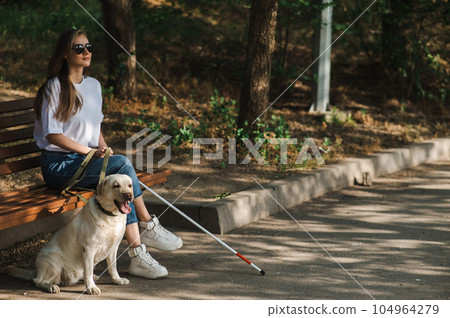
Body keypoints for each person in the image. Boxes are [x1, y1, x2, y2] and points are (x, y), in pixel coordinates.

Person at [33, 28, 182, 279]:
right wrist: (91, 153)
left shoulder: (93, 86)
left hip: (84, 161)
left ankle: (139, 248)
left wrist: (103, 149)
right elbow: (52, 135)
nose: (86, 52)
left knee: (120, 168)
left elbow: (95, 128)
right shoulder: (55, 87)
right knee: (122, 165)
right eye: (79, 48)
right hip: (59, 166)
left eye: (89, 47)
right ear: (65, 55)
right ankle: (146, 228)